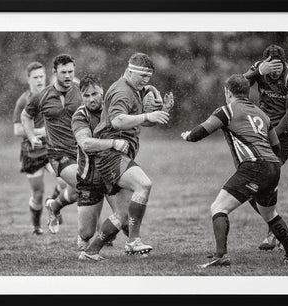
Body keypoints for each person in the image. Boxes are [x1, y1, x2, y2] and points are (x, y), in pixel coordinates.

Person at [181, 74, 288, 267]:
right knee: (270, 215)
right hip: (273, 166)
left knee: (218, 208)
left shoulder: (227, 110)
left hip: (254, 166)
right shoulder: (262, 114)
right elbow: (276, 146)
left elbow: (201, 132)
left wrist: (188, 136)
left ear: (228, 92)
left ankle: (221, 255)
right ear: (247, 92)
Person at [76, 52, 174, 261]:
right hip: (110, 155)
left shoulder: (134, 89)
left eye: (149, 77)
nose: (146, 82)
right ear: (130, 72)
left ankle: (90, 252)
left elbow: (136, 121)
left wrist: (161, 112)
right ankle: (133, 242)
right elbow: (119, 121)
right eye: (142, 77)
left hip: (116, 155)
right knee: (144, 185)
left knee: (121, 215)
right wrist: (149, 115)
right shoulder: (123, 91)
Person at [243, 44, 288, 250]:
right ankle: (278, 228)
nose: (275, 70)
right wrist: (258, 72)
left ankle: (275, 231)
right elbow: (236, 87)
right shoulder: (259, 68)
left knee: (263, 180)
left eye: (278, 66)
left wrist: (271, 137)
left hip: (285, 135)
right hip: (263, 133)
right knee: (249, 185)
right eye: (271, 65)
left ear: (284, 63)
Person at [71, 73, 131, 260]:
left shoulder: (112, 108)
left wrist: (157, 111)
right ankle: (84, 237)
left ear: (102, 91)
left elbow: (135, 119)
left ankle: (134, 245)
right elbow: (86, 143)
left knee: (126, 217)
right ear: (81, 96)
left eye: (95, 94)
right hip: (90, 177)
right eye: (86, 96)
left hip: (113, 171)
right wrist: (113, 143)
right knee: (87, 231)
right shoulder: (80, 115)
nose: (91, 99)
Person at [21, 54, 82, 234]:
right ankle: (92, 238)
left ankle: (54, 206)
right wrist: (32, 136)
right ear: (54, 73)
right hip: (58, 154)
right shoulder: (42, 95)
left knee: (73, 193)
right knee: (87, 186)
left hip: (81, 151)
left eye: (71, 72)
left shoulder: (80, 91)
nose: (68, 76)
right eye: (63, 72)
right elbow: (26, 116)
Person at [12, 61, 65, 235]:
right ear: (28, 79)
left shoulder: (52, 94)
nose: (40, 80)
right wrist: (39, 131)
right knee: (37, 193)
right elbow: (17, 129)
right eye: (36, 77)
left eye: (42, 76)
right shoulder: (23, 101)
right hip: (31, 152)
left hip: (51, 149)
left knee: (64, 182)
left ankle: (53, 203)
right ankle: (36, 227)